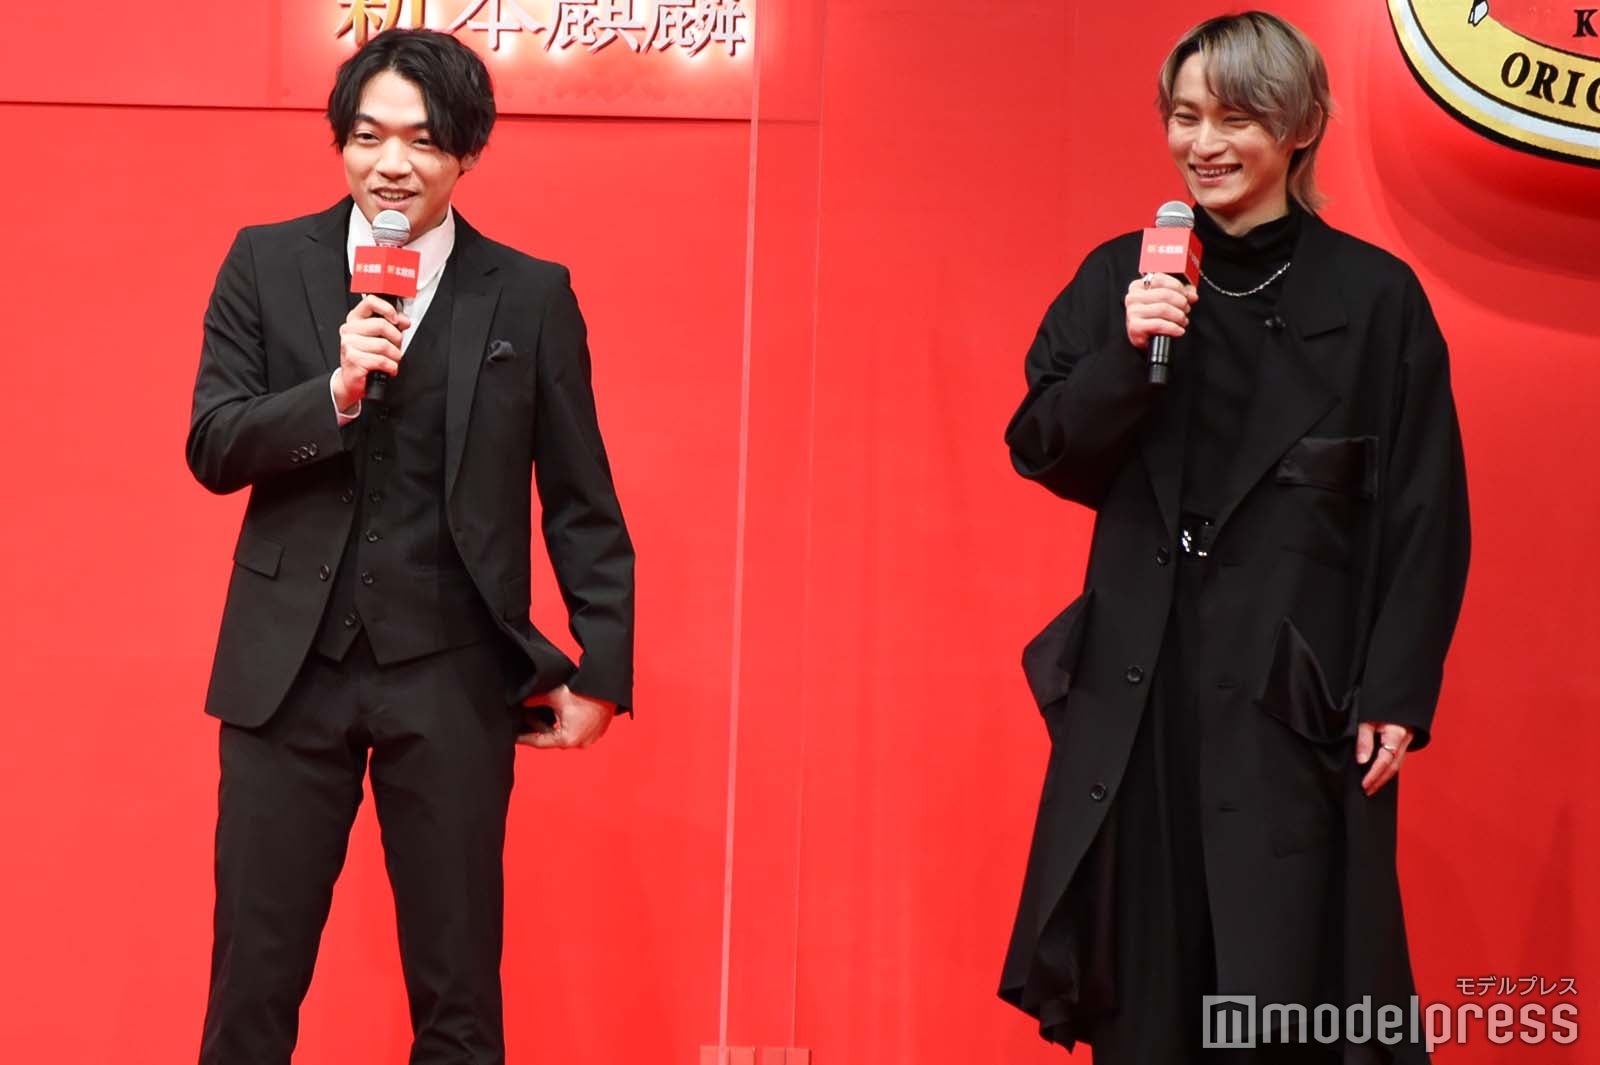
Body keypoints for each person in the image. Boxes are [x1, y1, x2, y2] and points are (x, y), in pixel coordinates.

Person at [998, 11, 1468, 1062]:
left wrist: (1397, 692)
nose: (1201, 144)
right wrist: (1128, 354)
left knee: (1285, 987)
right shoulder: (1122, 277)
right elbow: (1041, 445)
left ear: (1299, 127)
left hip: (1291, 694)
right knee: (1146, 995)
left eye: (1234, 119)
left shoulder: (1374, 299)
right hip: (1142, 694)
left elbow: (1425, 510)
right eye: (1183, 116)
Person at [186, 28, 634, 1065]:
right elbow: (213, 443)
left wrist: (602, 668)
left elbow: (580, 498)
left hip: (451, 671)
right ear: (341, 141)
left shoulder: (530, 293)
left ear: (467, 151)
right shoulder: (265, 261)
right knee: (251, 984)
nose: (392, 163)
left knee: (458, 992)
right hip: (287, 671)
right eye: (369, 136)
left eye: (423, 140)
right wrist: (333, 391)